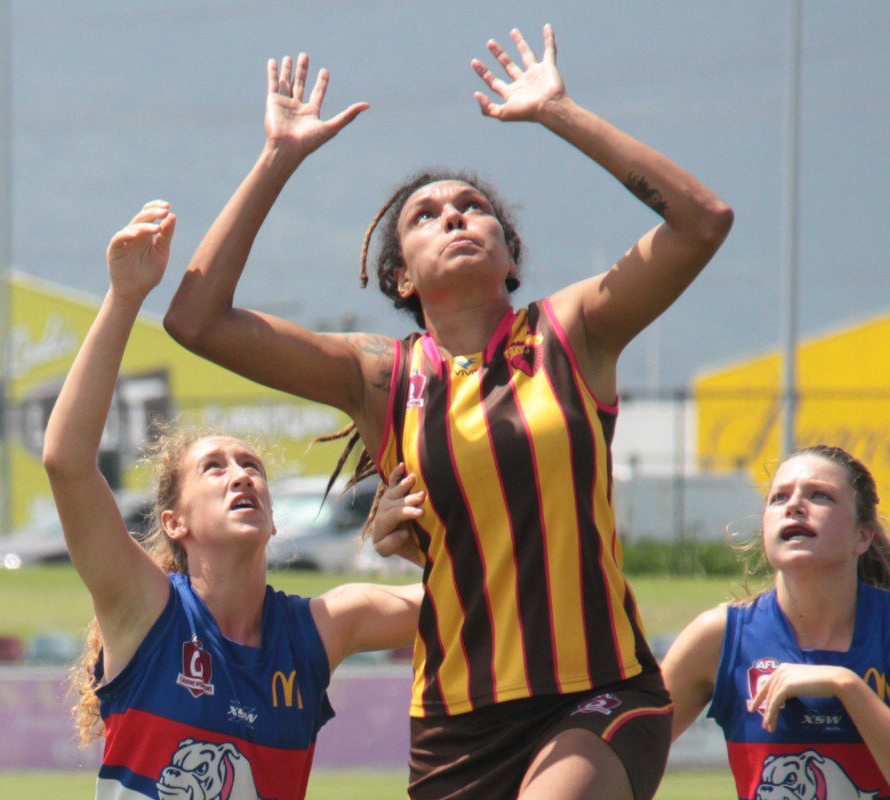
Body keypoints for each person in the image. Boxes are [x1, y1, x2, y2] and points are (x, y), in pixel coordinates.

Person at [164, 26, 732, 800]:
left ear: (510, 254)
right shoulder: (380, 380)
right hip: (457, 720)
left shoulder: (575, 333)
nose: (457, 216)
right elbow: (196, 320)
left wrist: (559, 112)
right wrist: (279, 158)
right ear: (399, 277)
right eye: (427, 215)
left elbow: (703, 221)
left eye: (475, 208)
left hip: (600, 691)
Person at [44, 201, 421, 800]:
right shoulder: (145, 611)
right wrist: (123, 298)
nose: (240, 476)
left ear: (273, 519)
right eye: (213, 469)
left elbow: (477, 602)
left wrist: (415, 548)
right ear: (175, 522)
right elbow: (66, 463)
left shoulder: (322, 629)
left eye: (251, 467)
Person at [657, 445, 890, 800]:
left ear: (862, 536)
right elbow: (625, 752)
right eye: (779, 497)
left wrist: (846, 687)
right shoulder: (720, 635)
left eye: (820, 495)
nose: (794, 505)